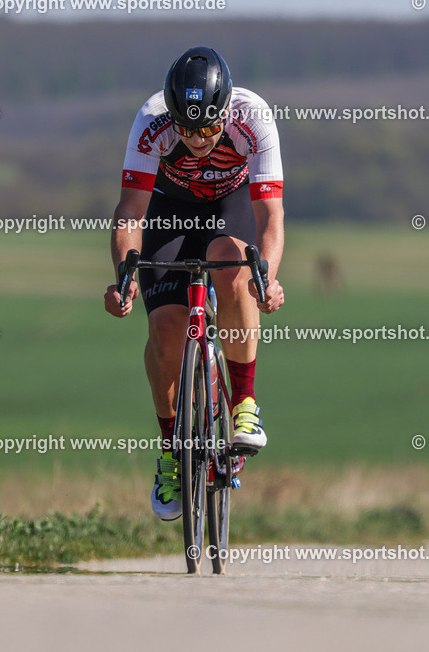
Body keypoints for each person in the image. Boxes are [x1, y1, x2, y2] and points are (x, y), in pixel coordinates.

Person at [103, 46, 285, 520]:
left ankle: (244, 401)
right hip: (169, 212)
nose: (200, 139)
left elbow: (270, 218)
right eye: (188, 128)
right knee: (165, 331)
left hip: (229, 210)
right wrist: (124, 276)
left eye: (209, 127)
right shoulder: (151, 121)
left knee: (235, 266)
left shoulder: (254, 117)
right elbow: (129, 214)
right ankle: (170, 453)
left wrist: (268, 278)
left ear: (227, 110)